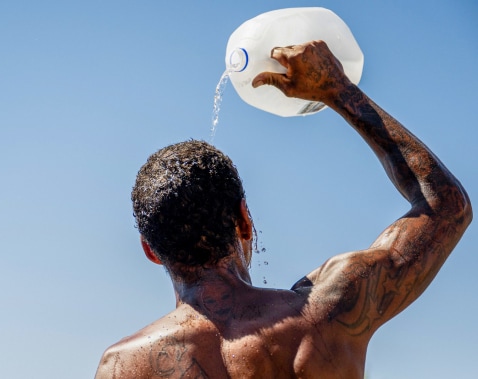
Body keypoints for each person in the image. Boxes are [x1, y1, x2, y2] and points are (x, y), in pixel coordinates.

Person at [94, 40, 472, 379]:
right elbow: (446, 206)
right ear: (243, 219)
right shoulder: (325, 312)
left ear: (150, 250)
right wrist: (338, 90)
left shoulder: (123, 367)